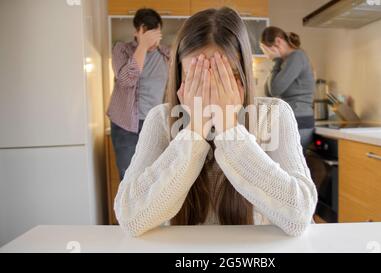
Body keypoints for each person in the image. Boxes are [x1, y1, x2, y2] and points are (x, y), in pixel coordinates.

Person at [114, 7, 317, 237]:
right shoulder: (160, 119)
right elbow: (130, 218)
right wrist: (194, 132)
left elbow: (299, 217)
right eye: (197, 76)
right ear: (180, 75)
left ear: (243, 76)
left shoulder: (275, 114)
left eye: (224, 76)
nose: (210, 89)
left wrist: (229, 129)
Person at [107, 8, 170, 180]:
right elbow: (127, 81)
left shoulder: (166, 54)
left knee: (155, 177)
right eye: (147, 34)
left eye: (156, 34)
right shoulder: (122, 50)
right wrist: (142, 45)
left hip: (155, 125)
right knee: (129, 178)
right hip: (126, 127)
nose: (152, 41)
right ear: (137, 32)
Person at [261, 27, 315, 149]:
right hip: (293, 119)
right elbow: (268, 92)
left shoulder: (296, 57)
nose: (267, 55)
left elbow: (275, 90)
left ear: (278, 41)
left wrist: (276, 60)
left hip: (299, 120)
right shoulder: (285, 61)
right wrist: (277, 61)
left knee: (289, 166)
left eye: (266, 50)